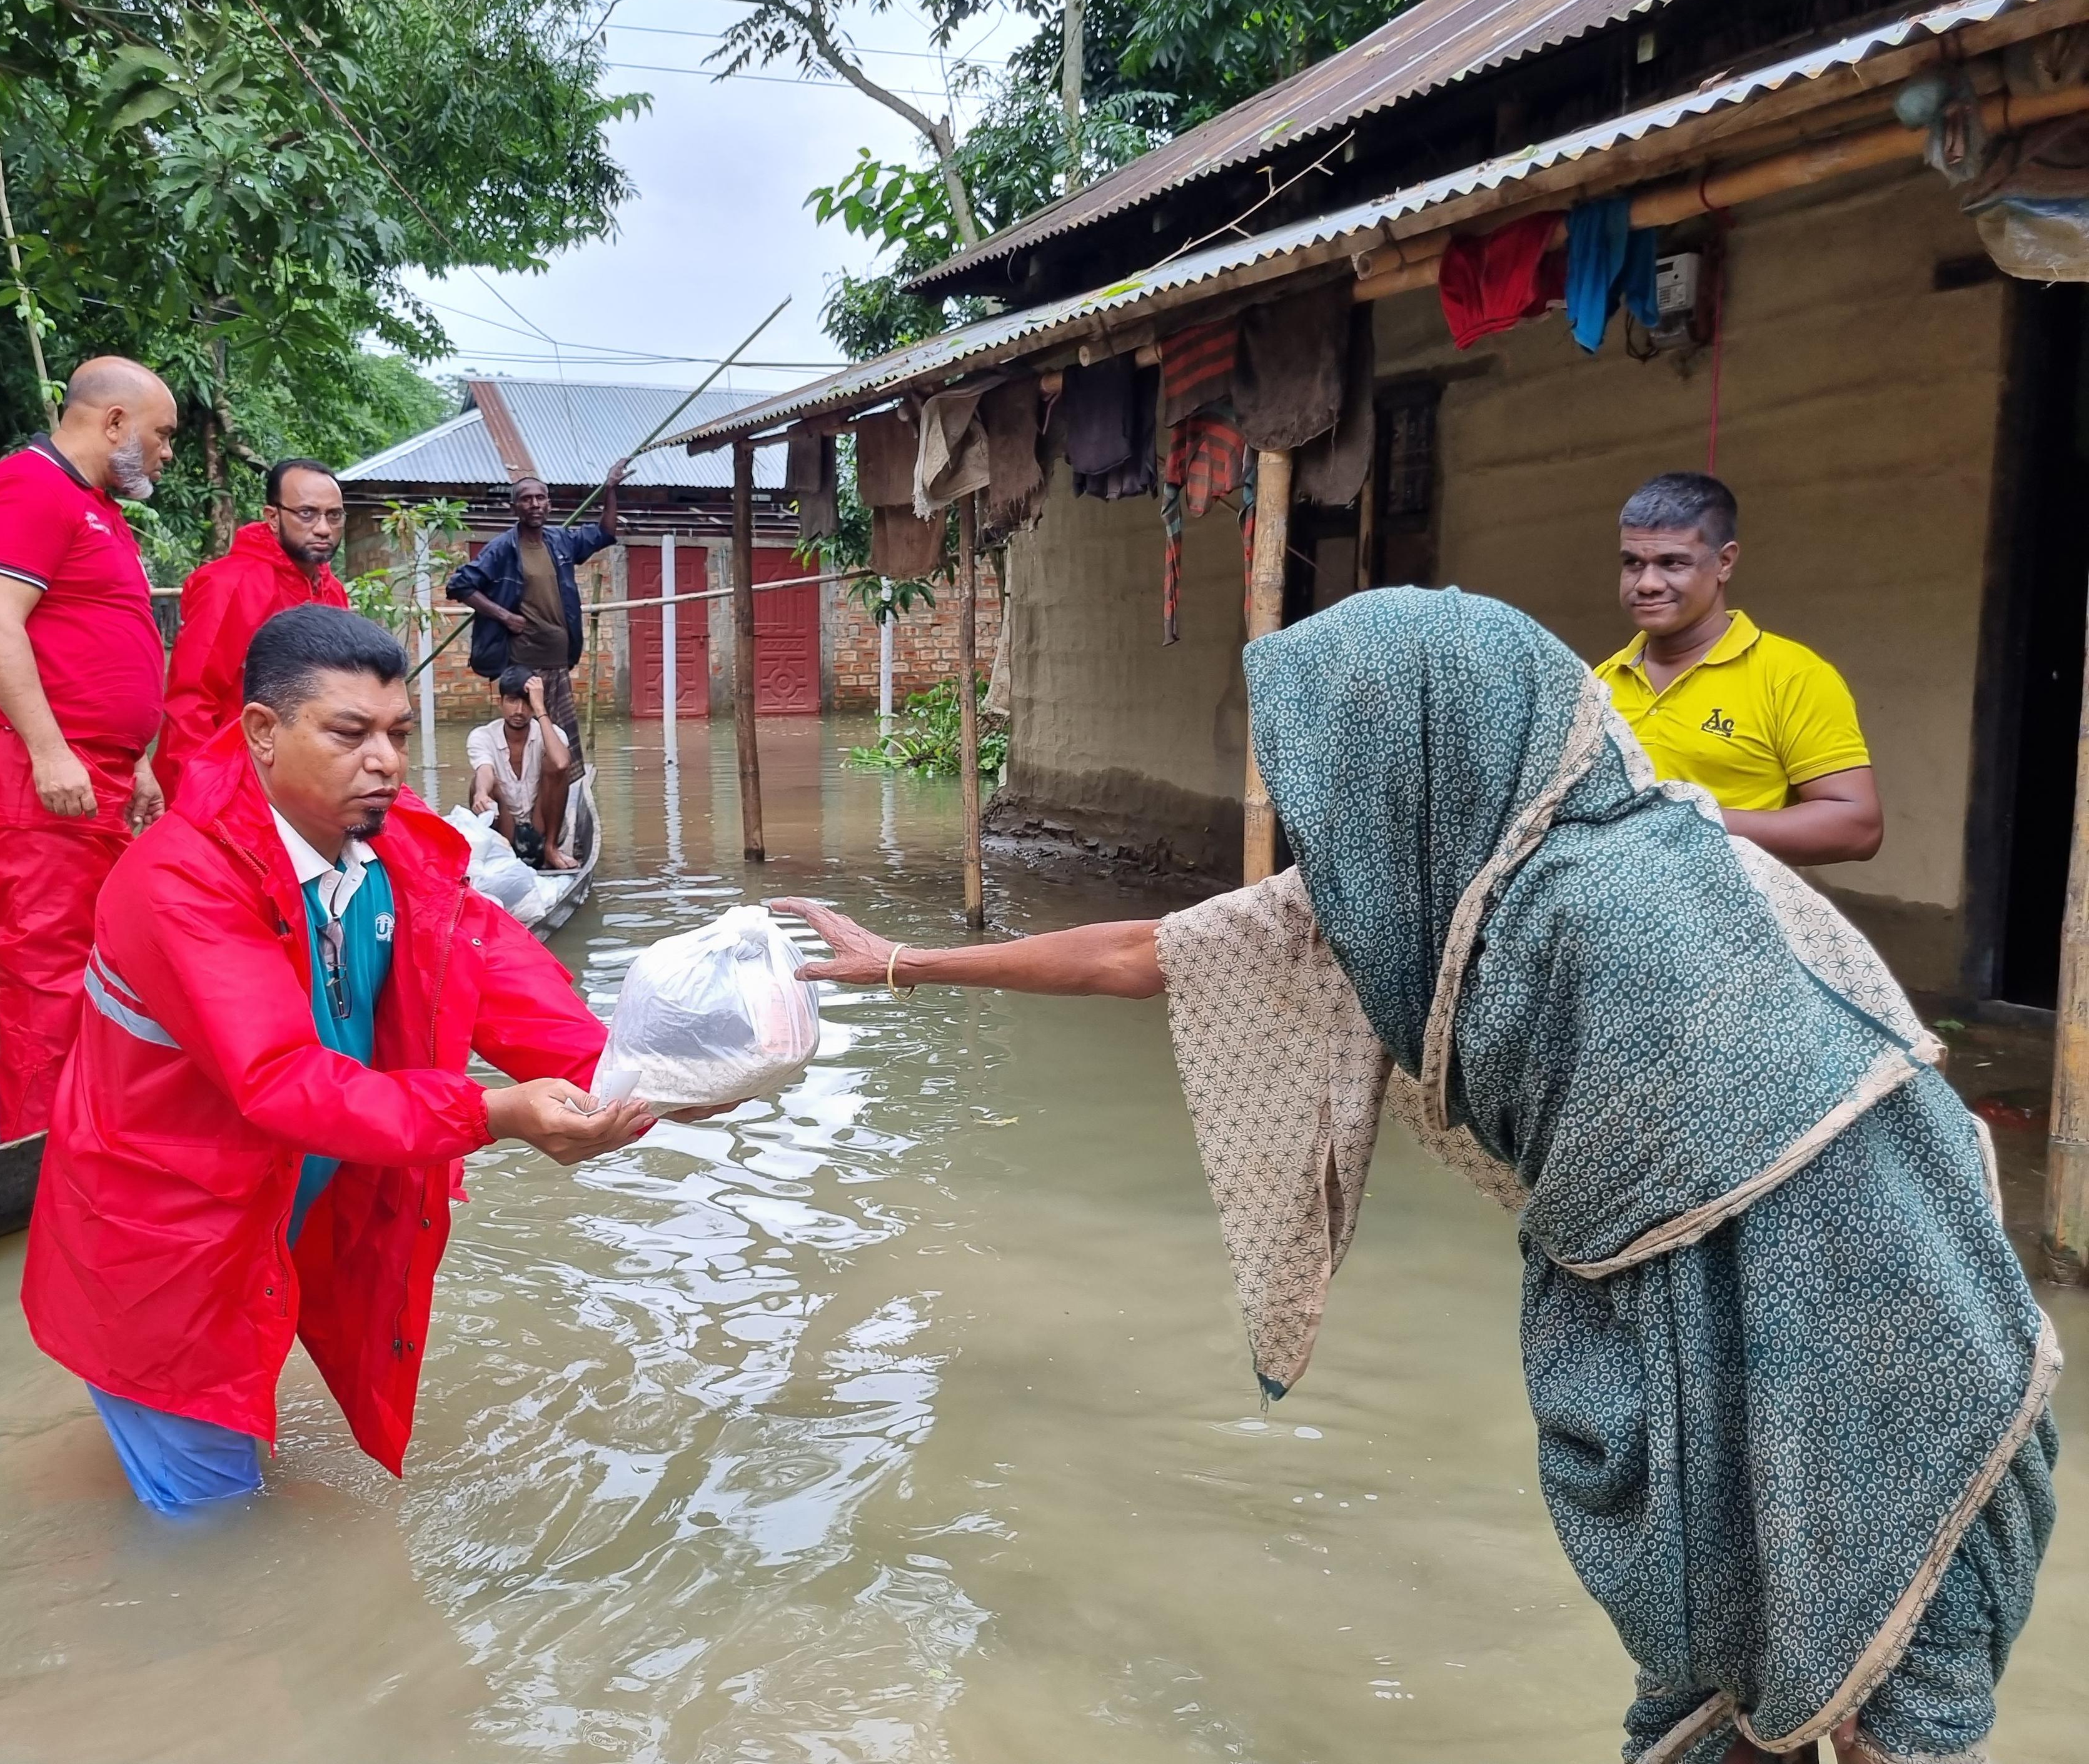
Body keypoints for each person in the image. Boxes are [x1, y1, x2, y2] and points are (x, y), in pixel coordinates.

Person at [778, 586, 2056, 1764]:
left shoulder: (1629, 900)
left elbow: (1720, 1181)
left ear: (1439, 748)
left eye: (1345, 761)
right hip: (1718, 1296)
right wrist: (903, 964)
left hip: (1880, 1307)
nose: (1323, 800)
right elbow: (1150, 952)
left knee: (1870, 1659)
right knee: (1762, 1655)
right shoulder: (1446, 902)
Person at [20, 605, 663, 1512]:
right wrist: (493, 1114)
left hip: (268, 1224)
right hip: (168, 1258)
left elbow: (493, 971)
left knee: (223, 1461)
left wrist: (650, 1074)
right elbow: (280, 1079)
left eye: (398, 735)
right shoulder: (180, 881)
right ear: (263, 733)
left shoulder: (384, 848)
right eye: (351, 734)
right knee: (215, 1539)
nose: (387, 763)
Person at [0, 356, 176, 1139]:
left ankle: (83, 1116)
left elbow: (88, 641)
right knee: (51, 970)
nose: (166, 453)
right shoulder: (28, 487)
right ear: (112, 422)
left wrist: (133, 756)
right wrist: (50, 750)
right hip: (21, 758)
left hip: (87, 763)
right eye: (162, 435)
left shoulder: (90, 504)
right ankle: (41, 1156)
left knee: (99, 955)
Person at [1595, 471, 1882, 865]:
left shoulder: (1790, 675)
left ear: (1725, 562)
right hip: (1602, 916)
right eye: (1632, 564)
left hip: (1729, 917)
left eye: (1672, 563)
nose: (1647, 583)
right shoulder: (1600, 683)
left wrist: (1687, 822)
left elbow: (1857, 828)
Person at [152, 456, 350, 797]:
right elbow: (192, 698)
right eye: (307, 514)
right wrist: (201, 788)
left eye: (334, 516)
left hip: (302, 777)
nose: (323, 528)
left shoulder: (331, 591)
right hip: (229, 776)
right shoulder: (229, 585)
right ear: (273, 517)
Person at [446, 460, 628, 775]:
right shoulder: (503, 548)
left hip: (558, 663)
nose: (535, 505)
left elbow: (604, 533)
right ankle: (522, 808)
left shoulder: (560, 541)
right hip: (523, 667)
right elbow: (459, 586)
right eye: (527, 499)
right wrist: (505, 616)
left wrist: (610, 489)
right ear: (515, 507)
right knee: (528, 748)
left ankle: (564, 811)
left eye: (540, 498)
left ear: (549, 504)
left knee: (564, 752)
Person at [467, 664, 575, 869]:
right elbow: (484, 770)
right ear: (501, 703)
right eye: (512, 701)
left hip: (541, 823)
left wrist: (541, 709)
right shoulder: (483, 736)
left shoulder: (551, 734)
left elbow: (561, 763)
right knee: (478, 785)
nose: (519, 711)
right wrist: (481, 793)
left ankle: (551, 849)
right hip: (505, 829)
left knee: (556, 764)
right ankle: (500, 855)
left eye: (527, 703)